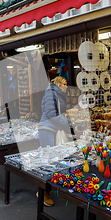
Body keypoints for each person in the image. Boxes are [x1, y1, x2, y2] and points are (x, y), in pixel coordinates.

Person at [37, 76, 70, 207]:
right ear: (59, 84)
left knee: (52, 160)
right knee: (48, 162)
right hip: (47, 129)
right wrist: (67, 122)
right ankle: (42, 193)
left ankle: (46, 190)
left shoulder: (55, 94)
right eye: (65, 83)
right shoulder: (51, 93)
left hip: (51, 129)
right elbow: (51, 113)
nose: (66, 86)